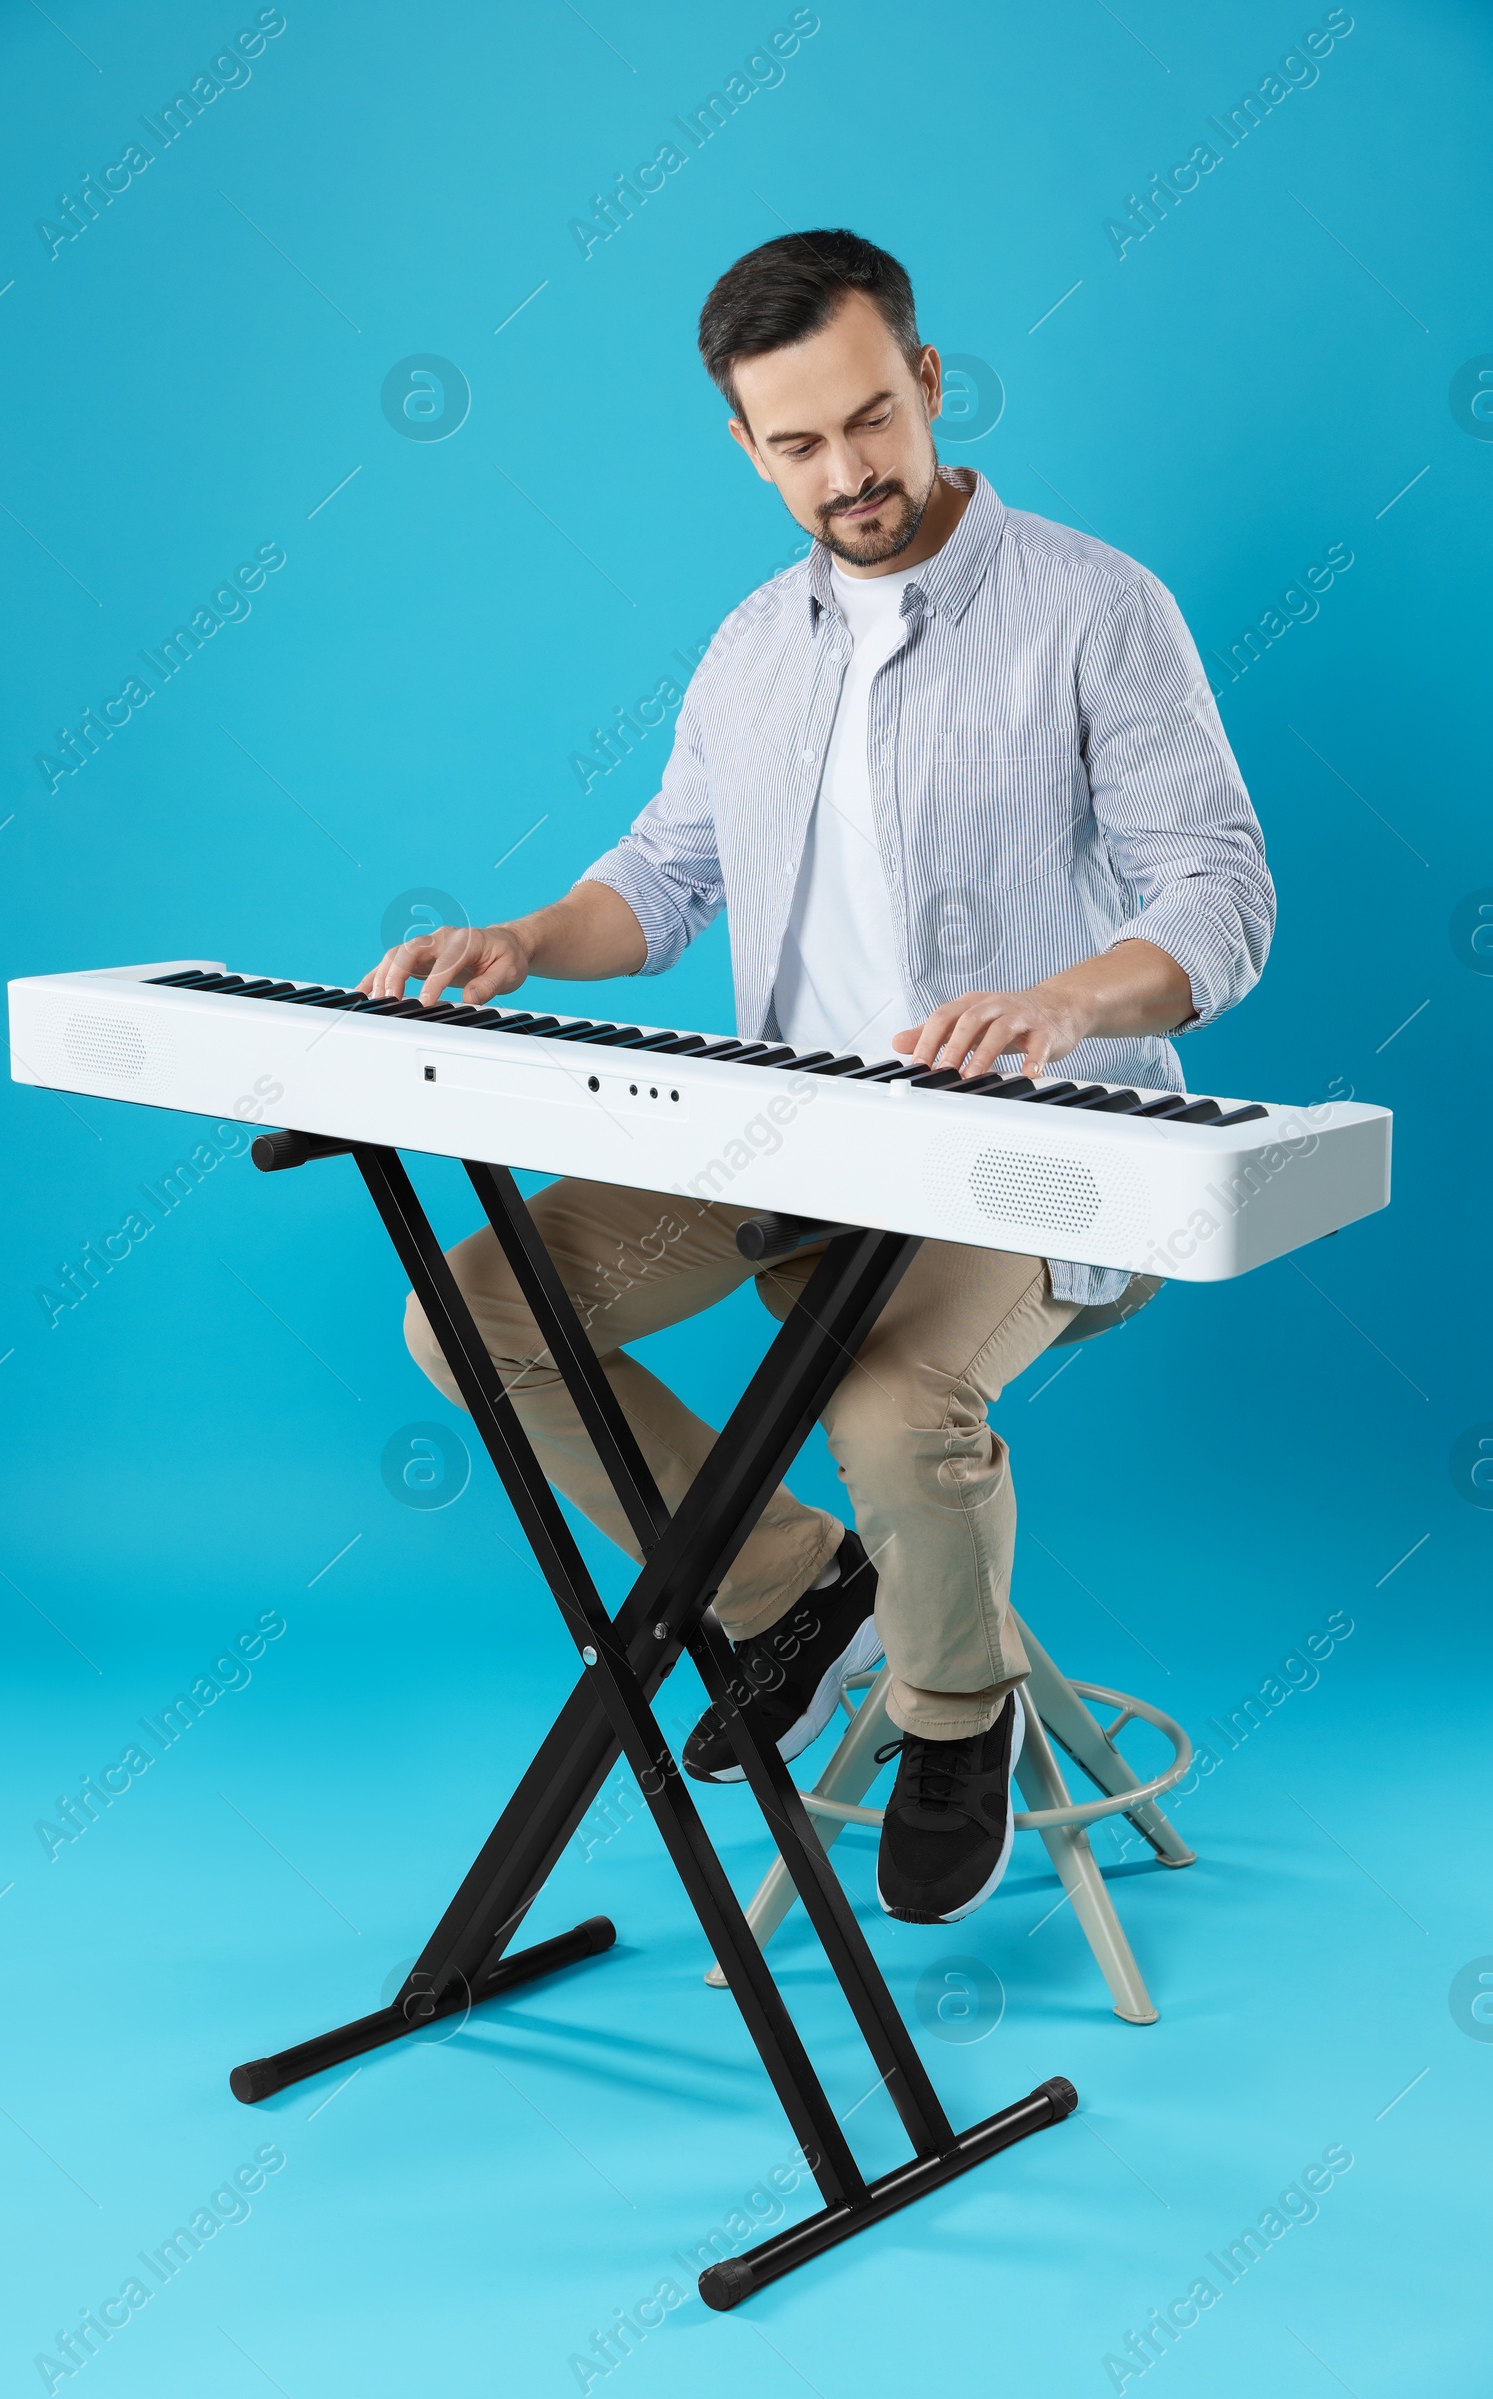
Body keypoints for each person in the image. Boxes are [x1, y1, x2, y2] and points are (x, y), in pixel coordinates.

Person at [360, 229, 1273, 1925]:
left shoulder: (1096, 607)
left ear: (928, 382)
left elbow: (1222, 896)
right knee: (465, 1317)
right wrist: (528, 937)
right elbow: (665, 876)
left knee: (885, 1404)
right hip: (796, 1133)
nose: (848, 473)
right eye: (798, 444)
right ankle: (793, 1590)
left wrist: (1064, 1004)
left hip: (1045, 1145)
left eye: (871, 421)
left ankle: (950, 1715)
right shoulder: (751, 646)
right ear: (744, 447)